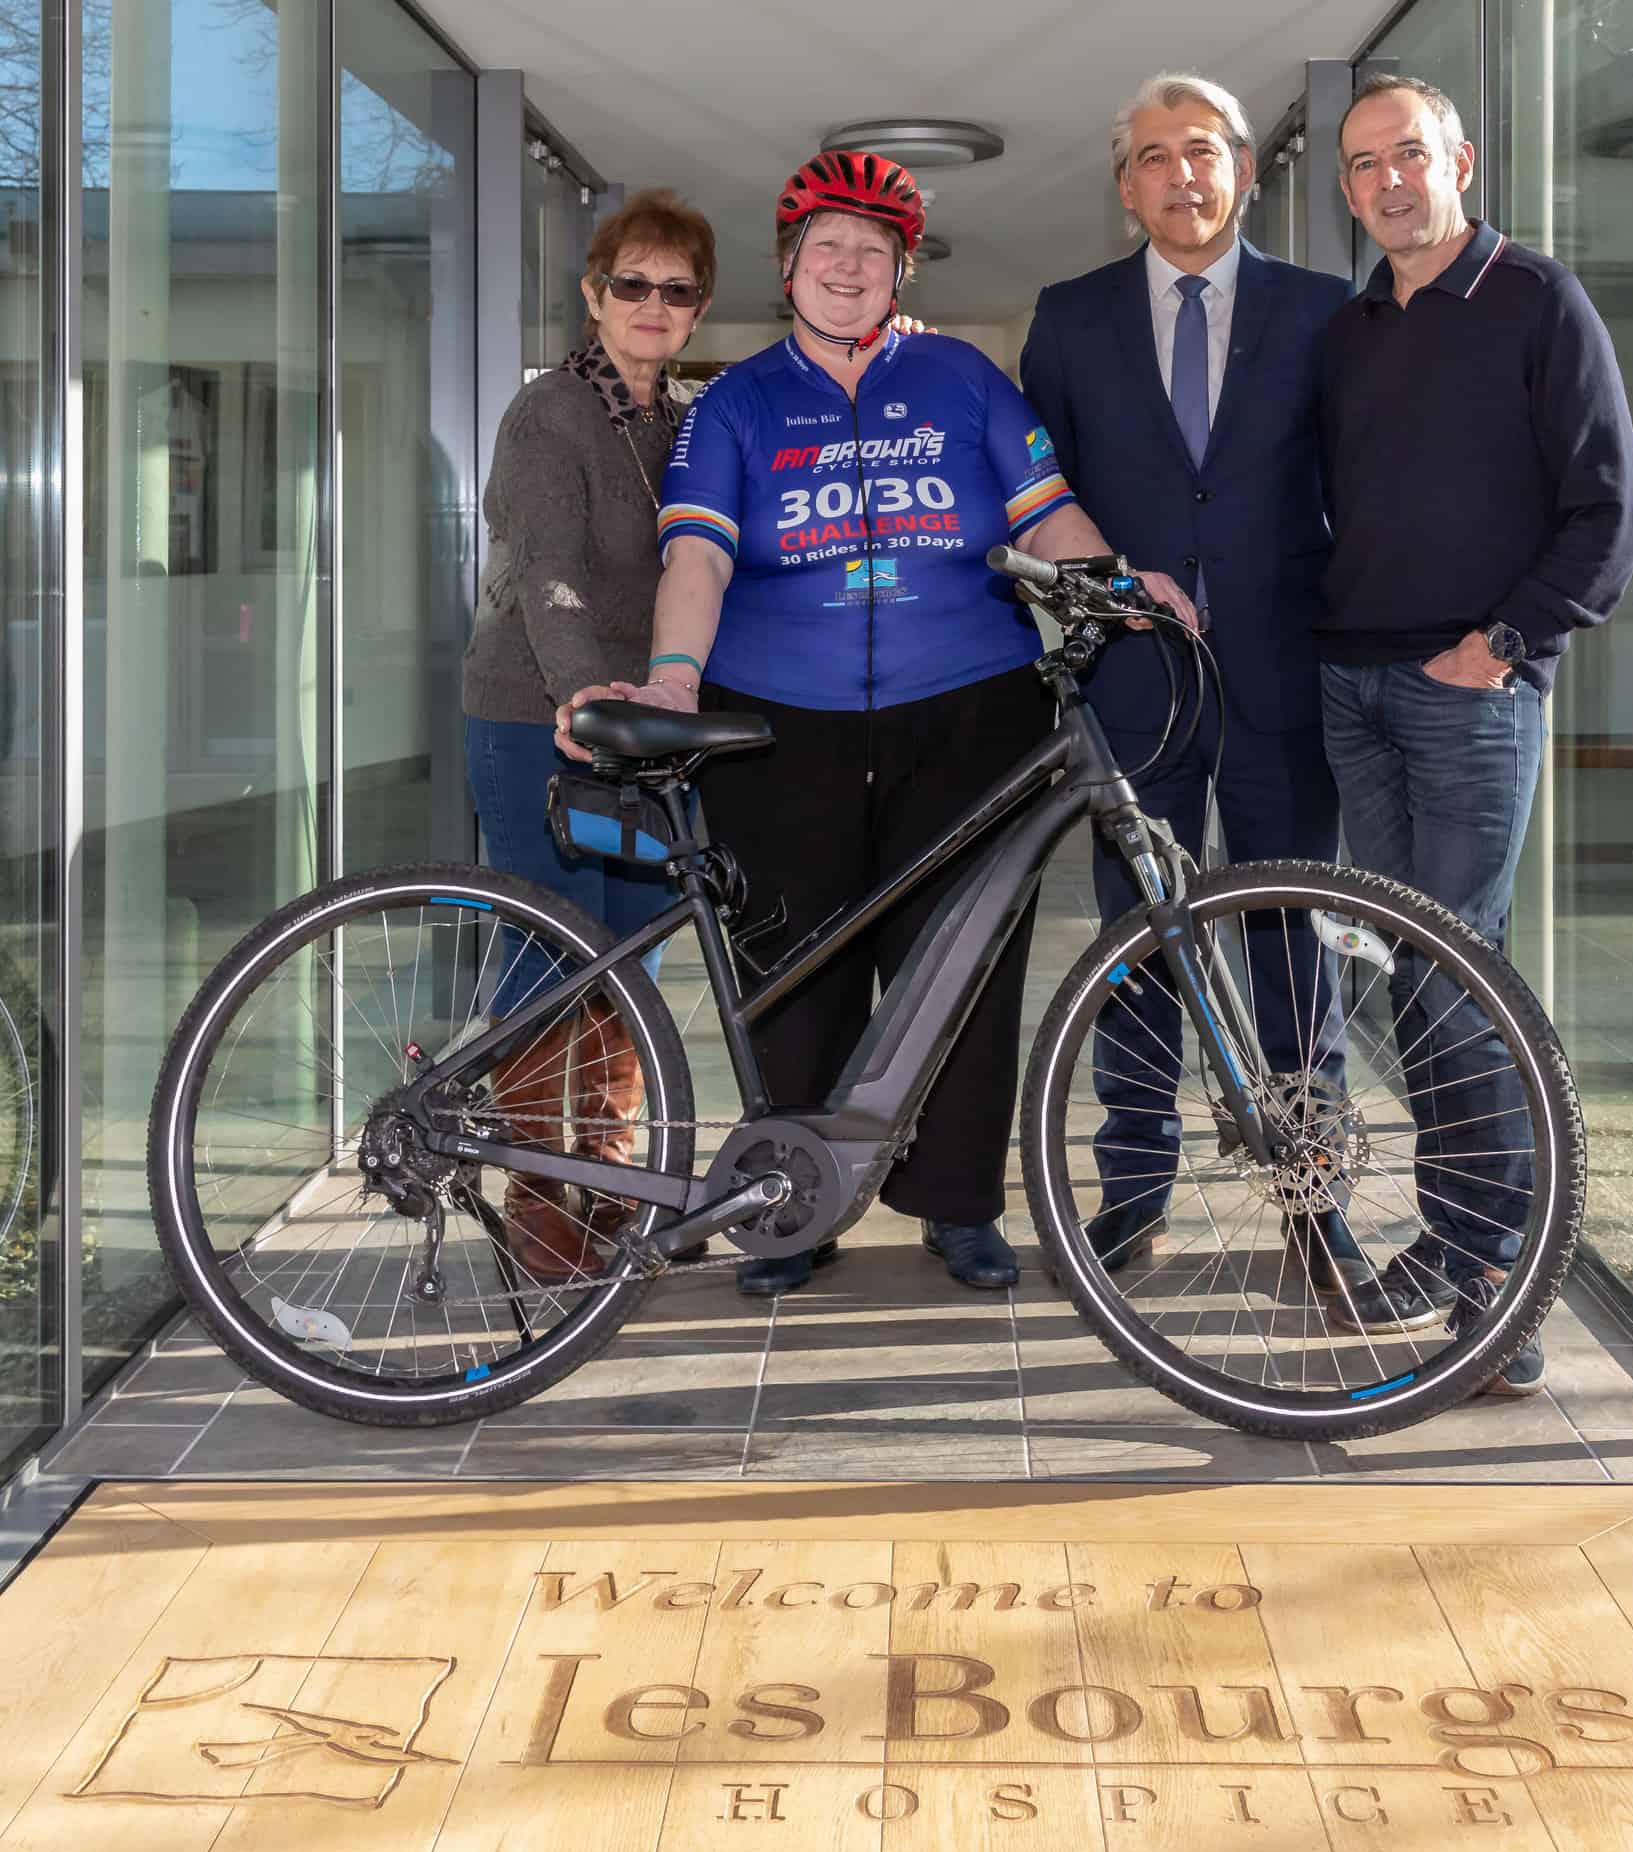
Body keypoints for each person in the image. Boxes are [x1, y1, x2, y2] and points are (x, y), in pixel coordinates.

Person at [557, 148, 1195, 1298]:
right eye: (827, 248)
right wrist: (673, 680)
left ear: (902, 271)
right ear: (788, 268)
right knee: (794, 965)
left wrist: (1117, 579)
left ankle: (958, 1203)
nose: (848, 267)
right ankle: (791, 1209)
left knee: (962, 962)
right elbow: (697, 556)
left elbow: (1046, 513)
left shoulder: (963, 379)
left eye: (873, 250)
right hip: (777, 721)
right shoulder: (736, 405)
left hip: (967, 706)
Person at [1317, 74, 1633, 1392]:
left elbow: (1609, 511)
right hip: (1357, 688)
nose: (1388, 181)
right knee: (1416, 979)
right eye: (1363, 165)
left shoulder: (1536, 298)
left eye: (1408, 154)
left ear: (1458, 161)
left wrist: (1501, 643)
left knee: (1458, 976)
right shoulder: (1353, 331)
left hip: (1468, 691)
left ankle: (1498, 1277)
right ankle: (1456, 1239)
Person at [1019, 73, 1359, 1288]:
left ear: (1245, 171)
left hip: (1282, 671)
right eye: (1155, 157)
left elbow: (1358, 483)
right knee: (1138, 931)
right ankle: (1134, 1186)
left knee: (1291, 931)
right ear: (1126, 187)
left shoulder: (1324, 311)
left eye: (1203, 150)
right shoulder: (1069, 318)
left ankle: (1313, 1192)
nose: (1182, 174)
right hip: (1135, 679)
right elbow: (1039, 494)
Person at [464, 188, 714, 1281]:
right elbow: (547, 573)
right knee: (547, 938)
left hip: (644, 728)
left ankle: (611, 1172)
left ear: (698, 310)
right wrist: (580, 697)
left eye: (677, 290)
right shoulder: (550, 414)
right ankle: (536, 1186)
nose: (653, 304)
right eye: (632, 284)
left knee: (636, 936)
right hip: (538, 716)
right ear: (593, 295)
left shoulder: (688, 421)